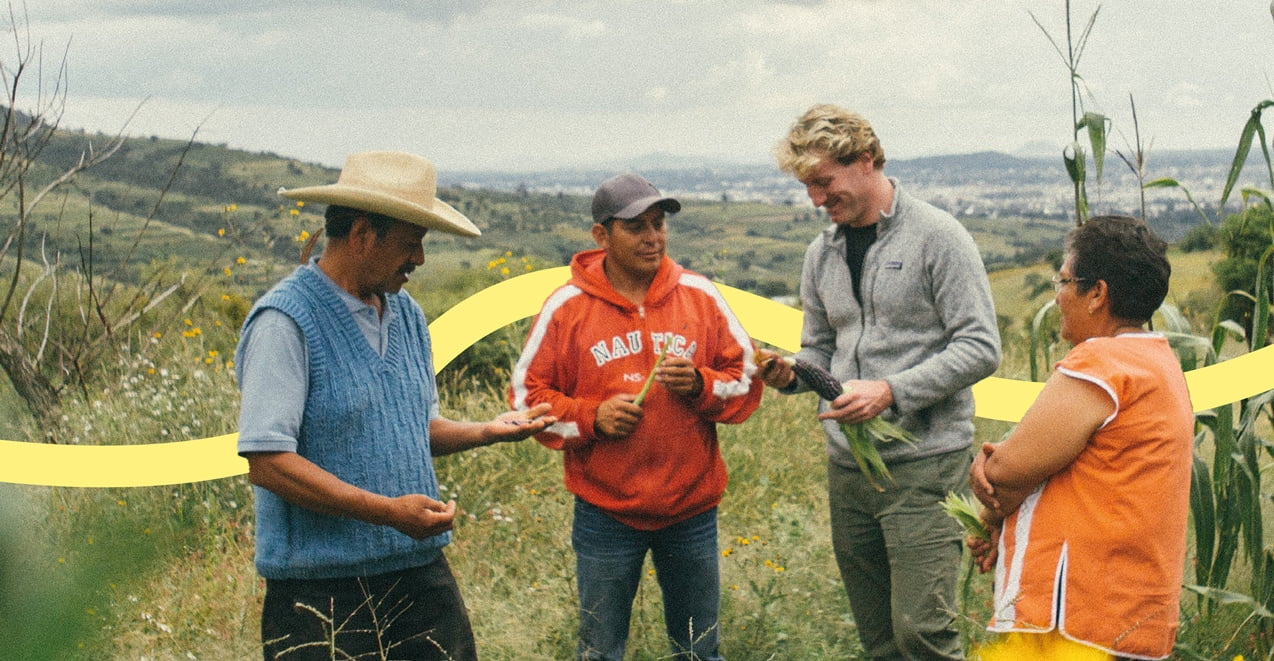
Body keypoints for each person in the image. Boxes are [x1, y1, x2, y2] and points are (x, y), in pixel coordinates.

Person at [235, 151, 555, 661]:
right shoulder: (285, 323)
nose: (420, 259)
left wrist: (487, 431)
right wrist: (387, 513)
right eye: (412, 243)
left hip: (418, 577)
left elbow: (412, 427)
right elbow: (268, 462)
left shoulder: (406, 316)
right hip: (322, 595)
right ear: (363, 234)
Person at [756, 104, 1001, 661]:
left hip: (926, 469)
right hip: (849, 473)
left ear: (865, 161)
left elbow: (981, 347)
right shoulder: (822, 254)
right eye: (808, 187)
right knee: (880, 640)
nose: (816, 199)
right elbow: (822, 347)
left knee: (923, 635)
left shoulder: (939, 237)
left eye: (824, 182)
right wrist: (791, 372)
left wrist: (891, 391)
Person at [509, 172, 764, 661]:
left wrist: (701, 386)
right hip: (606, 513)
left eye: (659, 223)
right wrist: (591, 417)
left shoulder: (700, 296)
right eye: (637, 227)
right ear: (601, 236)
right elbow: (526, 398)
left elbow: (747, 374)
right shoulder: (567, 307)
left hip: (690, 511)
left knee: (698, 651)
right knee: (601, 651)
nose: (653, 238)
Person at [967, 215, 1193, 660]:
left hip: (1080, 616)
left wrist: (986, 471)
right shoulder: (1158, 363)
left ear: (1097, 294)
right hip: (1131, 610)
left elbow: (1009, 471)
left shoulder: (1101, 363)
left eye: (1064, 281)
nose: (1057, 295)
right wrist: (1001, 517)